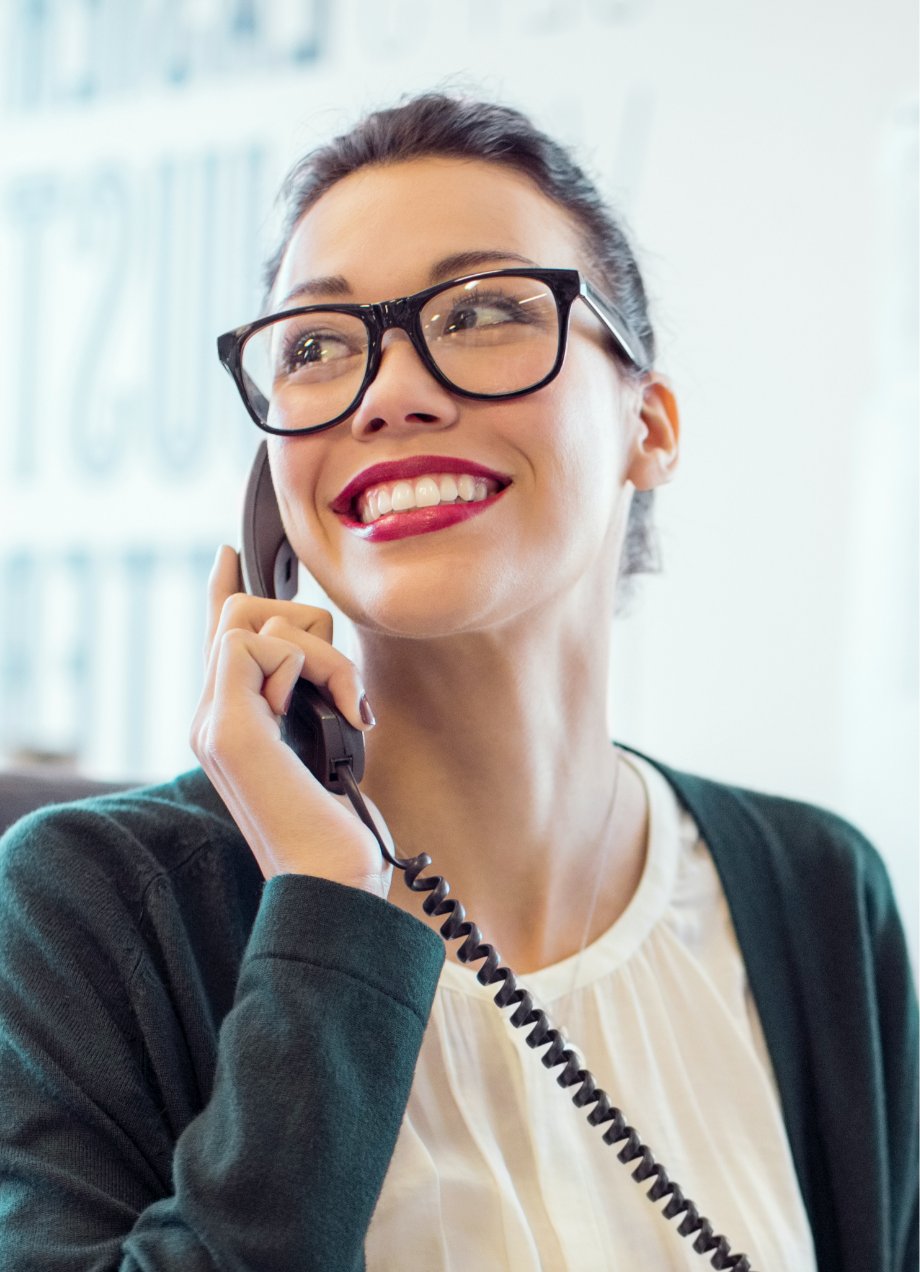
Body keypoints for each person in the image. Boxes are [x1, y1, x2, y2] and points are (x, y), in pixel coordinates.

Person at [0, 92, 915, 1272]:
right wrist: (328, 909)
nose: (387, 391)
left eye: (483, 311)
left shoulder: (816, 895)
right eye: (317, 347)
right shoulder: (91, 906)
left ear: (651, 426)